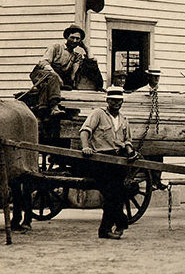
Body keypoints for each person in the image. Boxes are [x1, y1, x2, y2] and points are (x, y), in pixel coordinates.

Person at [77, 86, 138, 239]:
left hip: (119, 160)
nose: (116, 103)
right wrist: (86, 147)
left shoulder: (124, 120)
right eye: (113, 100)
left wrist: (130, 152)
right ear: (107, 101)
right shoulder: (98, 114)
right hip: (101, 161)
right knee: (112, 195)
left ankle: (109, 228)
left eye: (119, 101)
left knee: (118, 194)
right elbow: (85, 131)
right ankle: (117, 224)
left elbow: (127, 141)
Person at [28, 24, 91, 120]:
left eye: (78, 39)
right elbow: (44, 62)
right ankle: (54, 107)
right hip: (41, 73)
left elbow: (74, 74)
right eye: (72, 38)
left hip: (53, 80)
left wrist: (86, 48)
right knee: (52, 78)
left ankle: (42, 109)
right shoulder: (56, 47)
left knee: (50, 85)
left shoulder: (76, 56)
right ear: (66, 37)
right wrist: (56, 75)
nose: (74, 41)